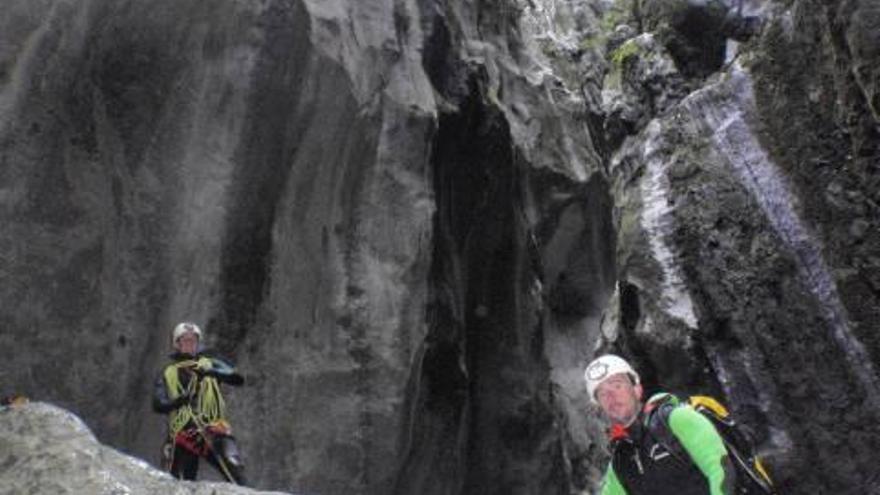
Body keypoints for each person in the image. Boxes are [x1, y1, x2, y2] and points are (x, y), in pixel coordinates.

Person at [585, 354, 736, 495]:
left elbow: (721, 470)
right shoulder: (620, 462)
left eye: (617, 385)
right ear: (599, 407)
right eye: (602, 394)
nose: (611, 396)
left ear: (637, 390)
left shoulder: (676, 419)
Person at [152, 322, 246, 484]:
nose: (189, 344)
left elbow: (236, 377)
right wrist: (180, 401)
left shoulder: (210, 360)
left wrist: (211, 371)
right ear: (177, 344)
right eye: (185, 341)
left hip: (214, 427)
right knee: (180, 481)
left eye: (193, 340)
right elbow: (158, 403)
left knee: (233, 465)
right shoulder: (167, 372)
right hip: (183, 432)